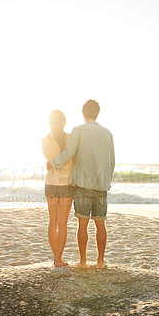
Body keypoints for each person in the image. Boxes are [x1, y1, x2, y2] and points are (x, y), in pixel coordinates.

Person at [47, 100, 115, 269]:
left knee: (82, 224)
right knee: (101, 224)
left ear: (83, 113)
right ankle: (100, 262)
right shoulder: (107, 133)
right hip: (101, 185)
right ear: (97, 113)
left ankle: (83, 262)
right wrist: (107, 180)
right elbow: (112, 160)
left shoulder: (78, 131)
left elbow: (68, 153)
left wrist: (53, 163)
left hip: (82, 185)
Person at [42, 110, 74, 267]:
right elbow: (71, 157)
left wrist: (53, 163)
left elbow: (49, 160)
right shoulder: (70, 139)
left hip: (51, 182)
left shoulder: (44, 140)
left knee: (53, 222)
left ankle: (56, 257)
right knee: (62, 223)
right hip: (66, 183)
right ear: (64, 121)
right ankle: (58, 259)